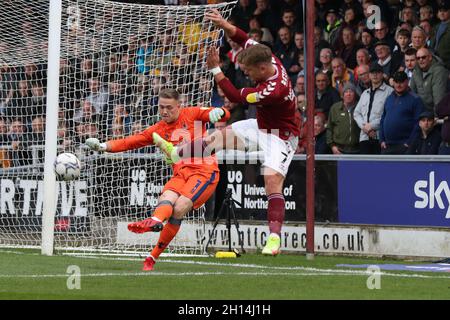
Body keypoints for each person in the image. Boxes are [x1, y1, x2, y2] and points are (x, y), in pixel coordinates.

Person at [153, 9, 300, 256]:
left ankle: (274, 238)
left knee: (271, 180)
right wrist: (223, 24)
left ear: (262, 68)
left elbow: (233, 97)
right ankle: (177, 153)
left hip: (280, 136)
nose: (246, 74)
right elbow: (243, 37)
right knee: (216, 137)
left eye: (249, 71)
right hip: (260, 126)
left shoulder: (274, 90)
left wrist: (215, 69)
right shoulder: (267, 56)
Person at [85, 88, 230, 271]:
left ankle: (154, 249)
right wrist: (103, 146)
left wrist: (220, 112)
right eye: (161, 107)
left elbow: (225, 113)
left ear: (179, 106)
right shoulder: (158, 130)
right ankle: (154, 231)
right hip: (180, 174)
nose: (164, 111)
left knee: (179, 208)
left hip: (204, 172)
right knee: (166, 198)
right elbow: (130, 142)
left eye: (169, 107)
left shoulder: (192, 114)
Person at [380, 71, 425, 155]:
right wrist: (382, 140)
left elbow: (419, 123)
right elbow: (383, 119)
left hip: (405, 146)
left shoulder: (415, 99)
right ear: (393, 82)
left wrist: (409, 142)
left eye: (401, 82)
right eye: (396, 82)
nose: (398, 85)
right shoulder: (389, 98)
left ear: (407, 81)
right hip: (387, 145)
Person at [354, 64, 394, 154]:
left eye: (378, 72)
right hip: (364, 137)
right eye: (372, 73)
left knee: (380, 167)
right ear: (369, 75)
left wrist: (372, 126)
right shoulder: (365, 93)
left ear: (382, 74)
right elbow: (356, 113)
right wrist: (365, 127)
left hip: (380, 137)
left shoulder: (390, 91)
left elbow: (389, 114)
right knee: (365, 167)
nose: (375, 75)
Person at [410, 47, 449, 113]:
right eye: (418, 58)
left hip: (433, 114)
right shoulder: (416, 71)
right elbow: (411, 94)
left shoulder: (439, 71)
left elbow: (438, 99)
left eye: (423, 57)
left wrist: (434, 118)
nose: (421, 60)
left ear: (430, 57)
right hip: (419, 112)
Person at [326, 83, 360, 154]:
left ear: (355, 94)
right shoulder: (335, 108)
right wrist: (332, 146)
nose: (348, 94)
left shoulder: (360, 107)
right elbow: (329, 128)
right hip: (339, 150)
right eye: (346, 92)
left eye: (351, 92)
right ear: (342, 95)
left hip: (357, 149)